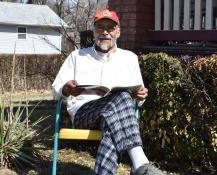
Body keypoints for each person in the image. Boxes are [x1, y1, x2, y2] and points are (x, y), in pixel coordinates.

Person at [52, 9, 165, 175]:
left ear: (118, 32)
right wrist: (66, 88)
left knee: (116, 112)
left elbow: (139, 98)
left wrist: (140, 96)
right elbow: (56, 90)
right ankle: (141, 163)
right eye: (100, 27)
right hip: (85, 114)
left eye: (110, 28)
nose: (105, 32)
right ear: (94, 32)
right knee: (121, 97)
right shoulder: (77, 56)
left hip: (116, 117)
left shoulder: (129, 58)